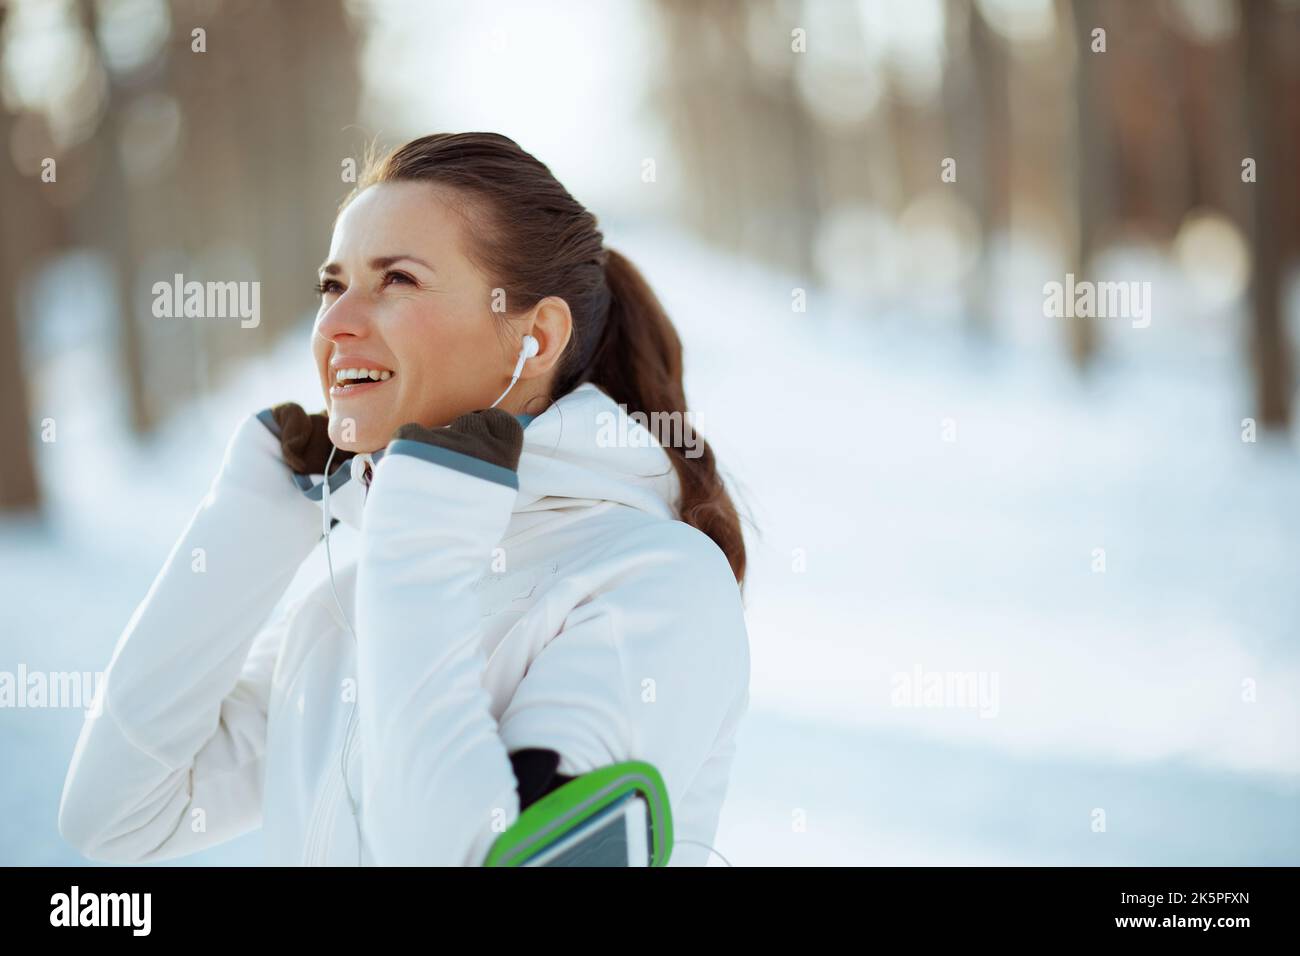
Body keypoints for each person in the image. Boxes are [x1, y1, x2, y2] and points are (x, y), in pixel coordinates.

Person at [57, 132, 751, 866]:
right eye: (332, 285)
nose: (333, 325)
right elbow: (115, 815)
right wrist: (253, 519)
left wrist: (423, 539)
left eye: (397, 281)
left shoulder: (656, 584)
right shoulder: (344, 606)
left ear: (536, 336)